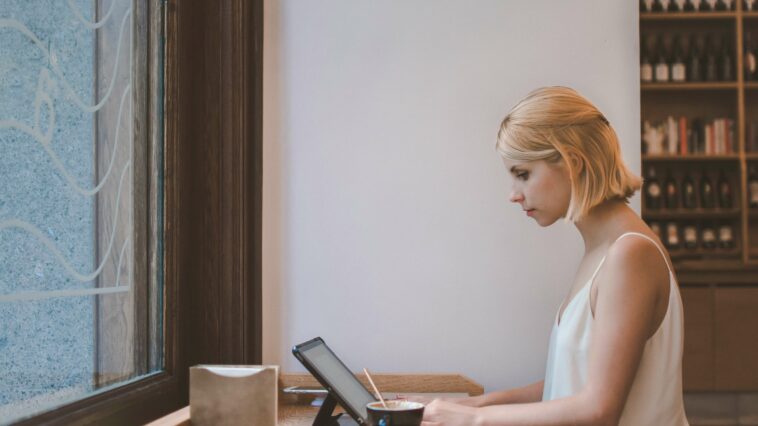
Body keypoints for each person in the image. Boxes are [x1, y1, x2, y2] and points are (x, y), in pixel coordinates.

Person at [413, 87, 688, 425]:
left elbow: (599, 409)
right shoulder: (604, 249)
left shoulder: (630, 254)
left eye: (523, 174)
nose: (514, 195)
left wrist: (471, 421)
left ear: (572, 162)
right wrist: (473, 406)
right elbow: (572, 383)